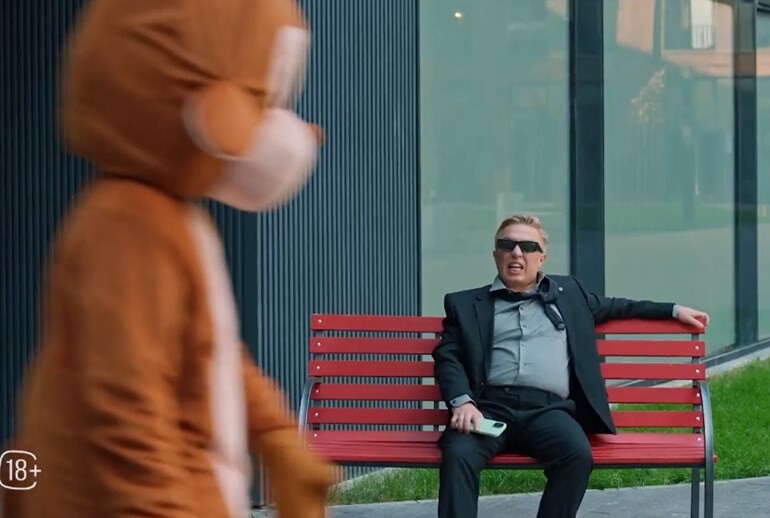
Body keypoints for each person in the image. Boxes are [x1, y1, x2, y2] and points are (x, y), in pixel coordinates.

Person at [2, 0, 337, 517]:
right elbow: (126, 415)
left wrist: (273, 431)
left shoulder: (171, 221)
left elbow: (206, 355)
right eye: (261, 100)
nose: (285, 132)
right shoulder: (126, 229)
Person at [432, 214, 708, 518]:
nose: (517, 253)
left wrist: (674, 310)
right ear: (496, 254)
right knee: (458, 454)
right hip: (487, 409)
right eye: (507, 245)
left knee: (576, 455)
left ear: (542, 257)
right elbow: (448, 356)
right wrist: (462, 402)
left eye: (528, 246)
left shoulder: (568, 294)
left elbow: (619, 306)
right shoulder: (465, 304)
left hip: (548, 411)